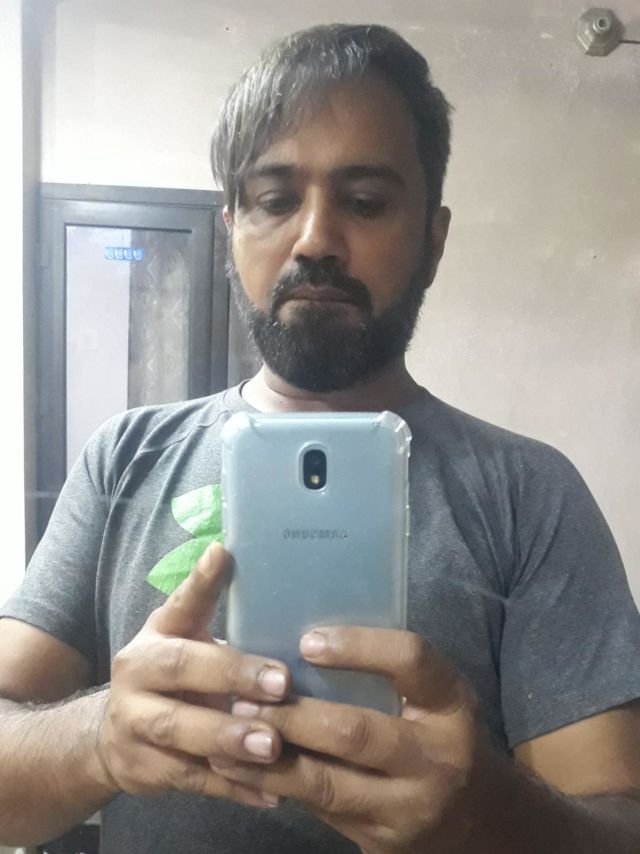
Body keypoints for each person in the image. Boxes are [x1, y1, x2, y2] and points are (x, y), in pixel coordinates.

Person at [1, 23, 639, 854]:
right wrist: (99, 739)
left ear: (433, 239)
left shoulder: (528, 492)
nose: (314, 240)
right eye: (274, 200)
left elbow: (620, 821)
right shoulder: (125, 456)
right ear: (231, 228)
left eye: (365, 201)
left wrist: (487, 814)